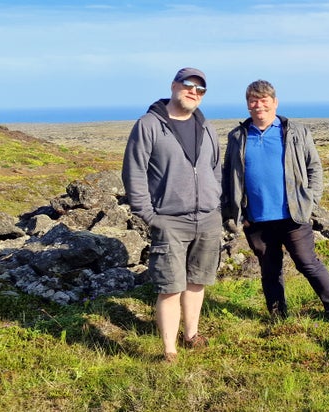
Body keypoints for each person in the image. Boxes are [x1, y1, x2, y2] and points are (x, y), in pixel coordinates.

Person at [222, 79, 329, 331]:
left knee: (308, 263)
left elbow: (313, 166)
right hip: (256, 219)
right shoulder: (237, 136)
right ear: (248, 104)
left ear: (275, 102)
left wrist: (311, 200)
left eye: (264, 100)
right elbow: (229, 174)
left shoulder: (295, 131)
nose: (258, 105)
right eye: (253, 100)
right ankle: (278, 316)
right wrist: (234, 212)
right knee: (269, 269)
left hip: (293, 215)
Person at [121, 67, 223, 363]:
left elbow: (215, 169)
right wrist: (150, 216)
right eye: (188, 85)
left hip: (206, 218)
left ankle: (191, 334)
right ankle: (169, 351)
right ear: (174, 85)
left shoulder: (207, 127)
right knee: (170, 287)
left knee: (196, 281)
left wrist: (215, 204)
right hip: (169, 220)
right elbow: (134, 172)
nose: (194, 91)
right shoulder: (149, 125)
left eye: (200, 89)